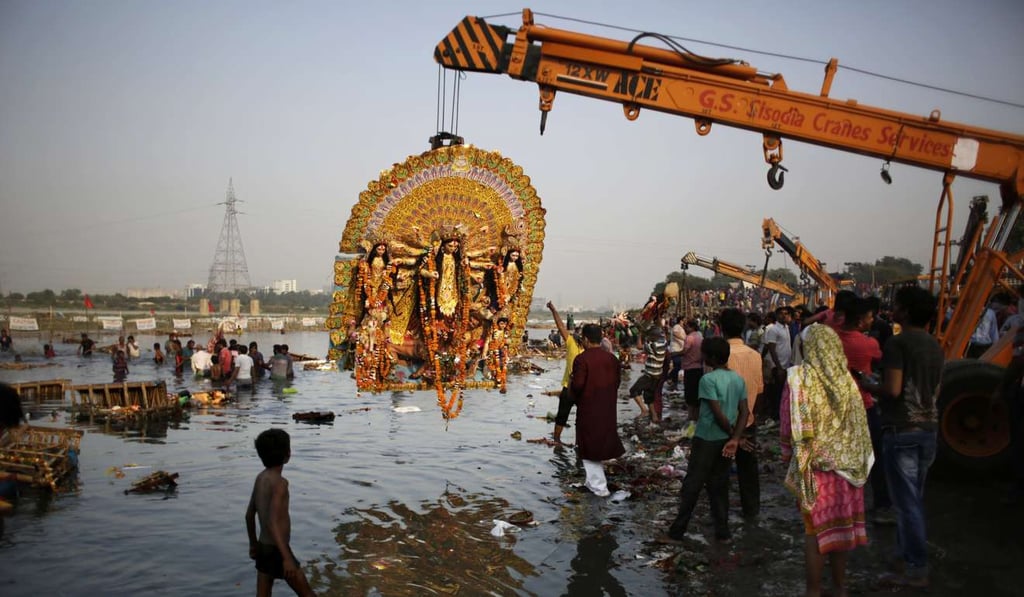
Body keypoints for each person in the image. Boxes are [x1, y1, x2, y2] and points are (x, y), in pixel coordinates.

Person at [781, 324, 874, 597]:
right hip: (849, 468)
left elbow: (788, 427)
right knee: (841, 530)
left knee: (816, 533)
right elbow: (859, 424)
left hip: (814, 469)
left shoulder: (798, 380)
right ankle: (840, 588)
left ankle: (813, 591)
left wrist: (789, 459)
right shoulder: (846, 380)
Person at [864, 286, 943, 589]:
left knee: (906, 505)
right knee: (912, 500)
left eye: (896, 305)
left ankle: (915, 568)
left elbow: (893, 390)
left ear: (906, 312)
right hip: (928, 429)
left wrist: (870, 385)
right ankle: (903, 556)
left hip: (902, 429)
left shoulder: (898, 344)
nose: (892, 309)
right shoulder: (934, 344)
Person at [661, 337, 747, 545]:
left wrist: (734, 436)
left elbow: (717, 414)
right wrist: (735, 437)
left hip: (707, 438)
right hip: (726, 440)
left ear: (712, 357)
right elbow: (744, 411)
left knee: (692, 485)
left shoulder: (707, 380)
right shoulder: (737, 379)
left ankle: (676, 532)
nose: (702, 357)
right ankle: (723, 533)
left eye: (705, 354)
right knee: (719, 485)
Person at [837, 298, 890, 523]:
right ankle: (882, 505)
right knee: (876, 458)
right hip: (863, 405)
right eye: (870, 317)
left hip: (837, 408)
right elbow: (880, 361)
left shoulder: (830, 340)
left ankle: (842, 506)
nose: (872, 320)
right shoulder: (869, 344)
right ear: (860, 320)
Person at [245, 429, 315, 597]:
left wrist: (253, 544)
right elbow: (273, 522)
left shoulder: (260, 478)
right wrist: (287, 559)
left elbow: (249, 515)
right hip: (278, 549)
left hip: (263, 547)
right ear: (288, 455)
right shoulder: (280, 483)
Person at [570, 323, 625, 497]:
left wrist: (572, 382)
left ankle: (599, 487)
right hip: (607, 405)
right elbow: (617, 383)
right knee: (600, 439)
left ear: (585, 339)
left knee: (589, 443)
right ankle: (590, 481)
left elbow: (578, 385)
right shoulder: (612, 359)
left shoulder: (582, 359)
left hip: (589, 406)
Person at [720, 308, 764, 518]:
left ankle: (721, 515)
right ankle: (751, 511)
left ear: (721, 328)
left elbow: (713, 397)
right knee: (748, 470)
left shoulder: (719, 355)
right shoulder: (755, 356)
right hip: (748, 421)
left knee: (720, 470)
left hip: (724, 423)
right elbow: (759, 389)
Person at [548, 302, 583, 446]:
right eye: (578, 332)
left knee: (580, 419)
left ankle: (578, 443)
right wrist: (553, 310)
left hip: (582, 389)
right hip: (569, 387)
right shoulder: (571, 343)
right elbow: (560, 326)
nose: (579, 335)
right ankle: (557, 439)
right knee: (562, 415)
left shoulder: (590, 348)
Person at [628, 325, 666, 423]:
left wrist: (640, 335)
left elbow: (639, 346)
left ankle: (644, 410)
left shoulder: (653, 346)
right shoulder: (663, 343)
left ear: (653, 336)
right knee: (649, 396)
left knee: (633, 390)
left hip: (650, 374)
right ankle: (654, 417)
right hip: (657, 374)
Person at [678, 319, 704, 421]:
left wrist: (674, 354)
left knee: (689, 394)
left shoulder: (690, 338)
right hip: (699, 368)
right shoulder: (699, 336)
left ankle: (690, 417)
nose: (685, 328)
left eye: (686, 326)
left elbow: (684, 351)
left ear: (692, 327)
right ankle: (696, 417)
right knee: (697, 393)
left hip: (690, 368)